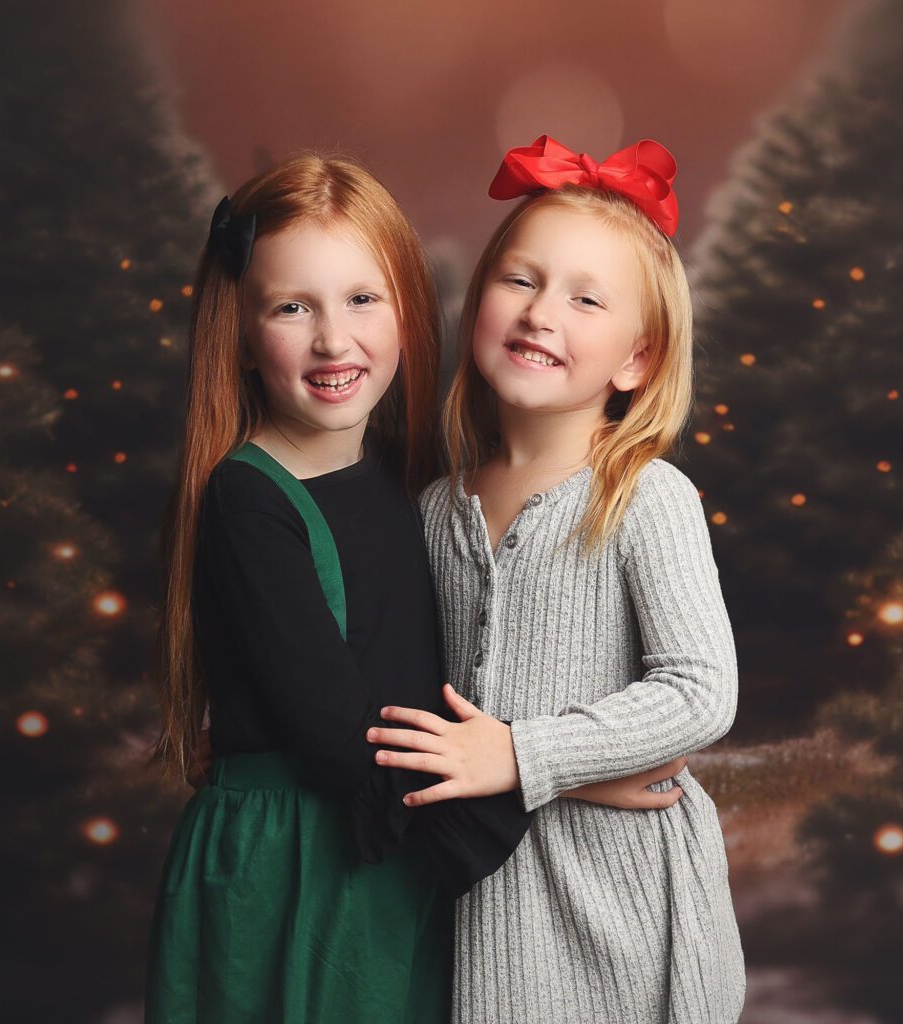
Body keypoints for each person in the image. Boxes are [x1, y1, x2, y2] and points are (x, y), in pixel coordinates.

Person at [145, 152, 682, 1024]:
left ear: (408, 312)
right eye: (292, 307)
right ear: (239, 333)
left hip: (389, 866)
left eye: (362, 298)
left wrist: (551, 758)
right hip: (303, 882)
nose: (333, 339)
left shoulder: (420, 491)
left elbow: (453, 687)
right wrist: (568, 780)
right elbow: (351, 746)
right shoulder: (249, 502)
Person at [367, 136, 746, 1023]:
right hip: (486, 911)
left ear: (636, 360)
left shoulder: (644, 496)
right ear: (479, 303)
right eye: (521, 280)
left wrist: (523, 757)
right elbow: (423, 725)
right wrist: (552, 771)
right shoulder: (434, 509)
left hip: (622, 912)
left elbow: (699, 692)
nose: (542, 313)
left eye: (585, 298)